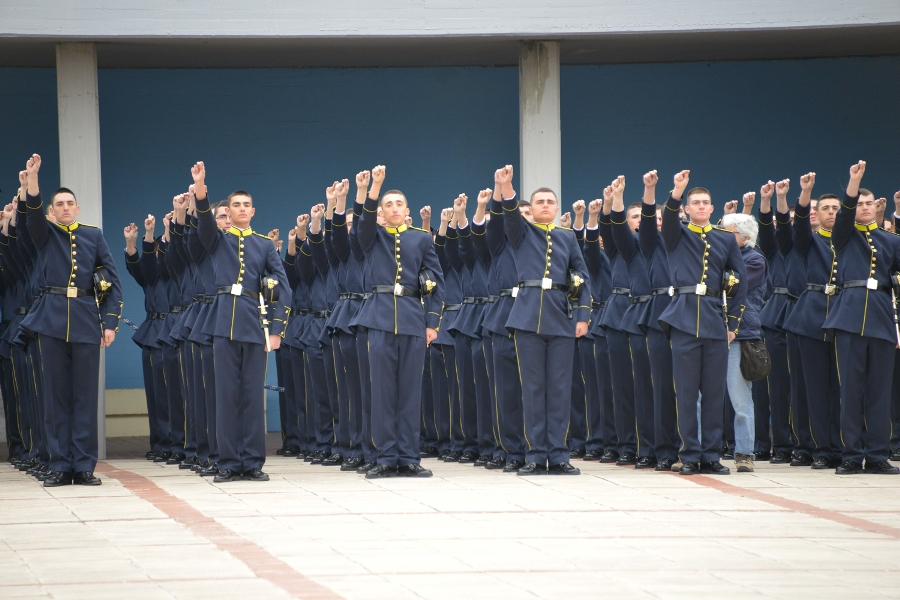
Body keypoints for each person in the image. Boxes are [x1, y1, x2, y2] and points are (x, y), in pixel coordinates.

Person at [22, 154, 123, 487]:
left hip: (84, 319)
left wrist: (108, 323)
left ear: (77, 209)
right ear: (53, 210)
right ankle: (59, 465)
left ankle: (83, 465)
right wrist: (33, 180)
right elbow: (33, 215)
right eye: (60, 204)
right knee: (55, 398)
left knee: (84, 397)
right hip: (51, 320)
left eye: (70, 203)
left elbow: (111, 282)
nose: (65, 208)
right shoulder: (45, 233)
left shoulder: (93, 236)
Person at [190, 161, 291, 483]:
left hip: (253, 324)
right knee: (226, 397)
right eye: (236, 205)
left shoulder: (263, 245)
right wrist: (201, 187)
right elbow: (204, 221)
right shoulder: (217, 239)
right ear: (228, 212)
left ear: (253, 210)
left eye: (247, 205)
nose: (242, 209)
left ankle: (252, 463)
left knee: (251, 396)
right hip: (223, 322)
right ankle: (229, 462)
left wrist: (276, 330)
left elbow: (282, 287)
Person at [351, 165, 444, 479]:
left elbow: (434, 280)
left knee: (410, 391)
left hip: (412, 318)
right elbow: (361, 224)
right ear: (381, 211)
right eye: (387, 205)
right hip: (379, 317)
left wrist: (431, 322)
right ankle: (386, 457)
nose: (393, 209)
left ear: (407, 211)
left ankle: (409, 457)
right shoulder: (371, 236)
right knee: (383, 392)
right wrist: (374, 187)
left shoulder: (421, 239)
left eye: (398, 205)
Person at [498, 164, 590, 476]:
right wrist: (507, 188)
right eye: (540, 202)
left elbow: (582, 276)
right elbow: (510, 214)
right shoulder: (522, 233)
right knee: (533, 390)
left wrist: (583, 316)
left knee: (561, 389)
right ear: (532, 209)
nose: (546, 206)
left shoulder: (567, 237)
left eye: (550, 202)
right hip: (527, 319)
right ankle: (536, 455)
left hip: (562, 318)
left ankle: (559, 455)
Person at [659, 169, 746, 476]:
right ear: (687, 208)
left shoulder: (725, 238)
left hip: (714, 319)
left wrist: (732, 324)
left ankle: (711, 454)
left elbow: (739, 282)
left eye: (704, 202)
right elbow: (668, 218)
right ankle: (689, 454)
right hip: (683, 318)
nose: (699, 206)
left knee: (713, 393)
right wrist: (676, 190)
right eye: (694, 202)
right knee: (685, 393)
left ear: (712, 208)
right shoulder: (677, 233)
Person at [823, 161, 900, 475]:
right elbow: (843, 214)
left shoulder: (891, 241)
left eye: (870, 203)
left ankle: (878, 454)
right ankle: (852, 455)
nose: (865, 208)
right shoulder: (844, 235)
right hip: (850, 317)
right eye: (860, 204)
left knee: (880, 391)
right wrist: (853, 182)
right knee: (851, 390)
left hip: (882, 316)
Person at [781, 176, 843, 470]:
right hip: (812, 317)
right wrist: (805, 193)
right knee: (816, 388)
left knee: (844, 388)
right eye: (826, 208)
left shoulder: (853, 240)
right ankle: (821, 447)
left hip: (847, 315)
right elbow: (800, 223)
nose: (831, 212)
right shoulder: (809, 240)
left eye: (836, 208)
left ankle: (845, 444)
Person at [472, 179, 529, 472]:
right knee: (505, 390)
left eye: (527, 217)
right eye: (518, 217)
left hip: (537, 313)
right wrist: (499, 191)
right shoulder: (499, 244)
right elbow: (492, 225)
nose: (523, 222)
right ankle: (508, 448)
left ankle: (536, 447)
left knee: (536, 389)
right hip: (504, 314)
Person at [608, 176, 657, 468]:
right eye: (635, 216)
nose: (644, 220)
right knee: (628, 387)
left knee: (659, 387)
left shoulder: (670, 245)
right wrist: (617, 199)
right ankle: (630, 444)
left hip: (661, 315)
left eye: (648, 216)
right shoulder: (626, 244)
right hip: (630, 315)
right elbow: (613, 227)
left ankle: (660, 445)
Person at [637, 171, 680, 472]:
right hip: (659, 314)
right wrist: (649, 190)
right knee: (662, 387)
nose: (663, 225)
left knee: (691, 388)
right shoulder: (650, 244)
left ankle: (696, 447)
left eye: (670, 219)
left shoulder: (686, 241)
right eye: (660, 221)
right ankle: (663, 449)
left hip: (689, 312)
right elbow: (649, 221)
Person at [721, 211, 765, 473]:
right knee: (701, 396)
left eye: (728, 232)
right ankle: (700, 450)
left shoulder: (754, 260)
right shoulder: (725, 258)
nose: (721, 236)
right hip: (713, 331)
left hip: (740, 334)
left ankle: (744, 452)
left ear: (745, 237)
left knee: (740, 399)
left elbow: (731, 286)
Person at [755, 183, 795, 464]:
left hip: (816, 314)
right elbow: (768, 231)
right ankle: (778, 443)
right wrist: (769, 201)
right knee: (776, 386)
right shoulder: (777, 248)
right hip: (779, 316)